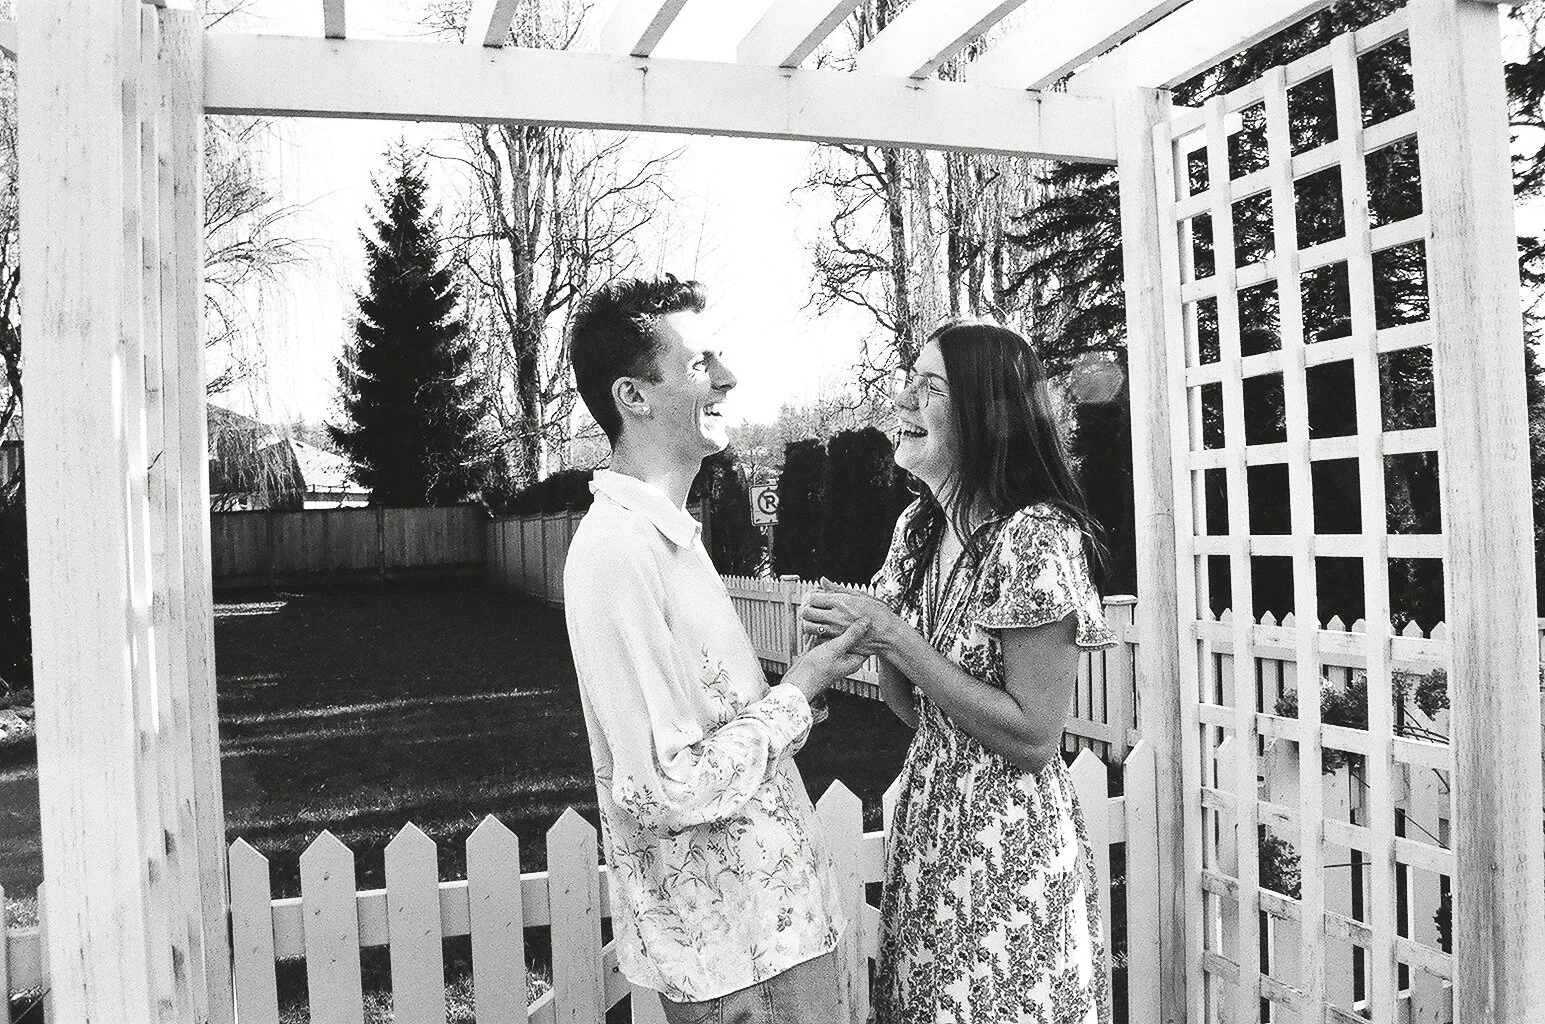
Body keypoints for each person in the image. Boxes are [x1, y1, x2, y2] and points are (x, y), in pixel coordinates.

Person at [563, 274, 866, 1024]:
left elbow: (706, 729)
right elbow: (665, 787)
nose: (727, 377)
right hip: (735, 963)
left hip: (775, 932)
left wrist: (787, 689)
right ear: (633, 396)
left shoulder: (668, 534)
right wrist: (796, 691)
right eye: (700, 364)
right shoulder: (616, 552)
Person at [800, 320, 1116, 1023]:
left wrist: (895, 637)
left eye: (929, 387)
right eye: (907, 382)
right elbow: (919, 712)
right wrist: (854, 640)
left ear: (982, 414)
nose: (903, 403)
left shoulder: (1034, 536)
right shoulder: (916, 529)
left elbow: (1034, 738)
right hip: (928, 831)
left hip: (1010, 851)